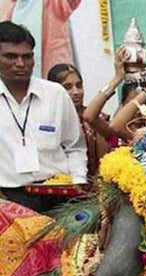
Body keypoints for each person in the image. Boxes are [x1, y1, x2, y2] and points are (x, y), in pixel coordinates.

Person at [0, 21, 86, 213]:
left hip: (60, 198)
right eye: (10, 57)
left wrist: (78, 181)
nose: (20, 64)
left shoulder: (55, 94)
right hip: (8, 201)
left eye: (27, 57)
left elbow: (75, 146)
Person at [47, 63, 115, 176]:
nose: (76, 92)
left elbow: (104, 160)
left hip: (95, 186)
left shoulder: (96, 119)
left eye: (79, 85)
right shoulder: (48, 121)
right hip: (58, 185)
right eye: (67, 87)